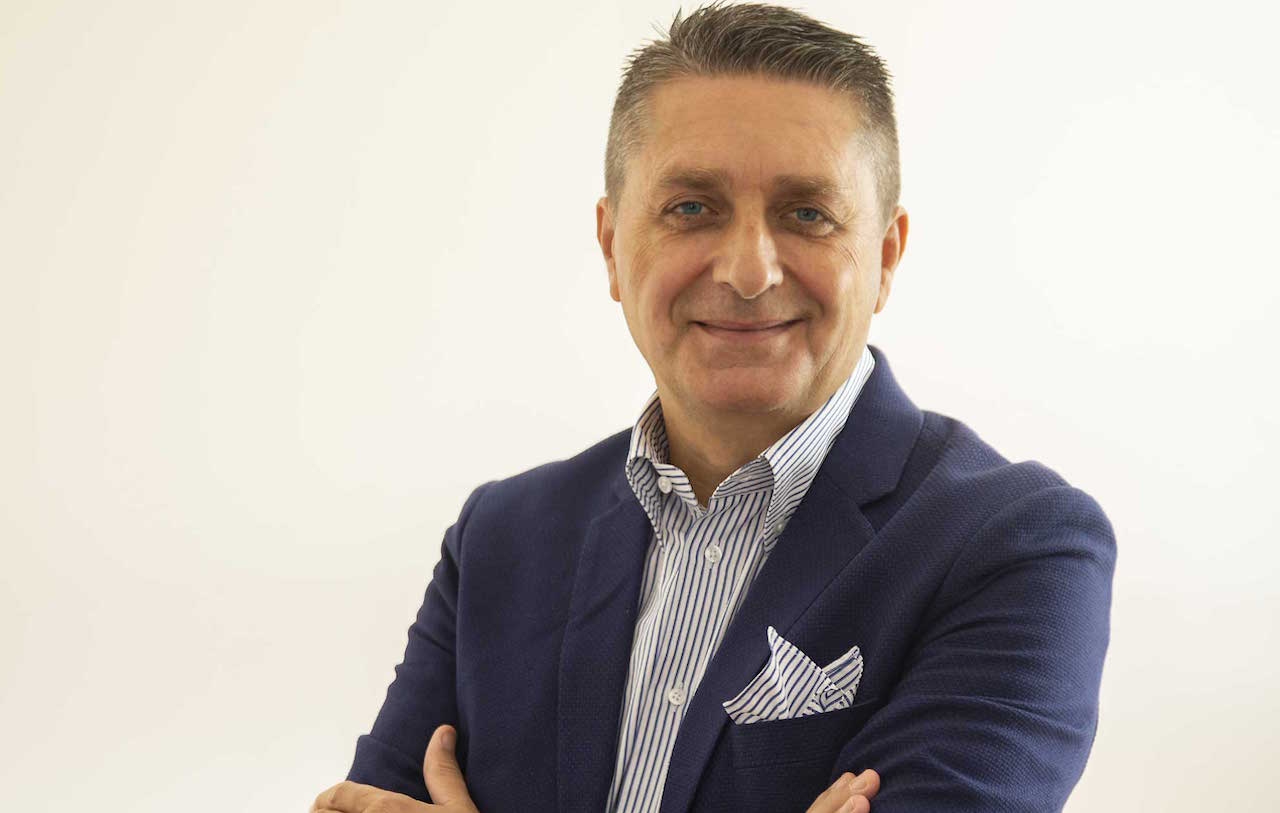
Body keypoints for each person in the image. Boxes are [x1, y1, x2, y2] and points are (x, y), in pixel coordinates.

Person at [310, 2, 1116, 812]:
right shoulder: (499, 540)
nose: (749, 270)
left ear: (885, 256)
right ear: (611, 246)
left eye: (808, 214)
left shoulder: (1018, 549)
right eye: (691, 207)